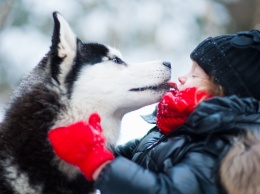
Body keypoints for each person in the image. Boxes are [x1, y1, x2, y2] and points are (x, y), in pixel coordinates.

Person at [48, 29, 260, 194]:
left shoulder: (227, 144)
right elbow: (126, 160)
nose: (182, 77)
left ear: (223, 91)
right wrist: (93, 144)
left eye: (195, 75)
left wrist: (97, 162)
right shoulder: (176, 128)